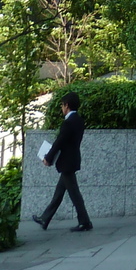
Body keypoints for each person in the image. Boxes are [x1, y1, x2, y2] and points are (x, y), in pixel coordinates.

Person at [32, 91, 93, 232]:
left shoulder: (68, 123)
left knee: (74, 194)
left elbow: (60, 142)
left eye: (62, 105)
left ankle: (85, 222)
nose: (61, 108)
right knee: (59, 193)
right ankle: (44, 219)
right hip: (72, 160)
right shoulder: (79, 120)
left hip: (66, 163)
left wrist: (48, 157)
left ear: (67, 105)